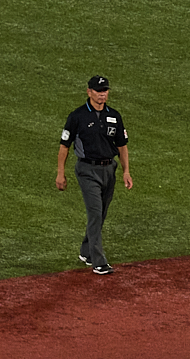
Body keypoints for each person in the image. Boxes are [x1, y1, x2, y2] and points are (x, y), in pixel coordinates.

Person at [55, 74, 133, 275]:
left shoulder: (114, 116)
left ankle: (86, 251)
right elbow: (64, 145)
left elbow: (122, 146)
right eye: (98, 91)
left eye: (105, 91)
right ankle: (98, 262)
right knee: (95, 213)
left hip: (109, 169)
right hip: (87, 170)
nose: (102, 94)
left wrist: (126, 171)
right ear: (89, 92)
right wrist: (60, 173)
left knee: (101, 213)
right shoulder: (77, 116)